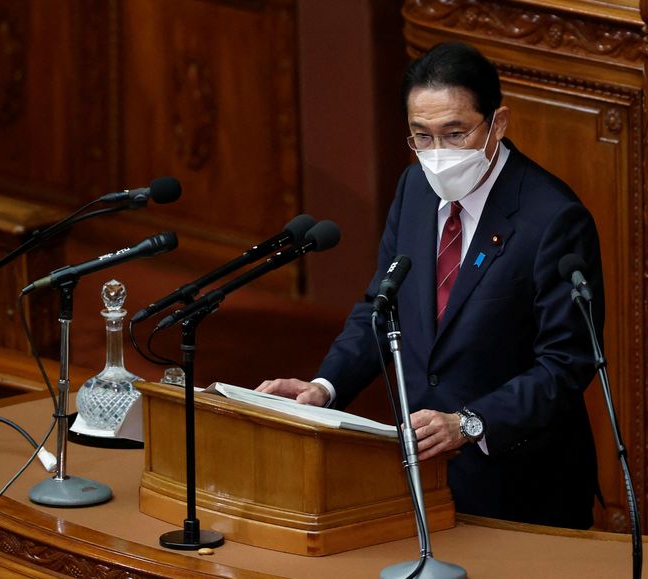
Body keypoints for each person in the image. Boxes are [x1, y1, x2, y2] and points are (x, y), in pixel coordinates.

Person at [258, 42, 604, 529]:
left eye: (455, 133)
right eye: (422, 136)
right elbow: (383, 306)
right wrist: (324, 386)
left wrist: (468, 423)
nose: (438, 154)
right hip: (420, 478)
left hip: (520, 487)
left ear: (497, 124)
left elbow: (567, 363)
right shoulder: (415, 189)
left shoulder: (553, 218)